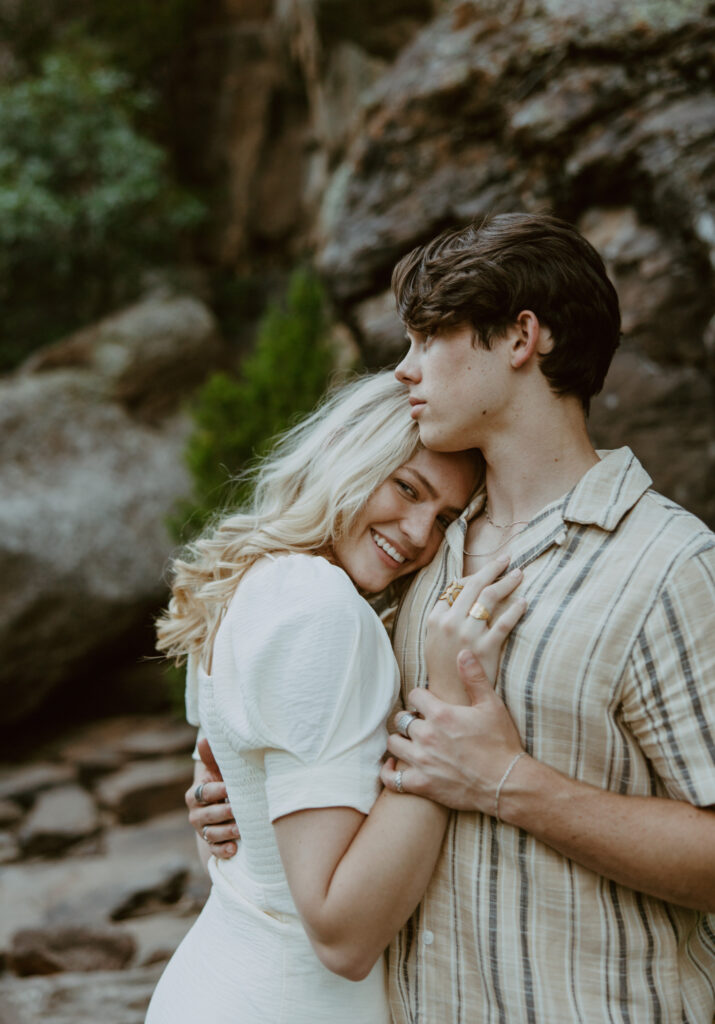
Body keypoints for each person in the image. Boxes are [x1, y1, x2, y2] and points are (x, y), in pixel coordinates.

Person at [191, 214, 715, 1023]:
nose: (403, 372)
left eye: (425, 341)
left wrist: (511, 784)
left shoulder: (665, 566)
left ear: (519, 338)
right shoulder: (411, 556)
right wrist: (242, 788)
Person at [146, 371, 525, 1024]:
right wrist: (447, 706)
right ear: (349, 456)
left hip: (216, 983)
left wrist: (221, 806)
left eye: (442, 519)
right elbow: (341, 935)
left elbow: (228, 837)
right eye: (406, 489)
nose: (416, 536)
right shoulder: (318, 606)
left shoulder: (250, 584)